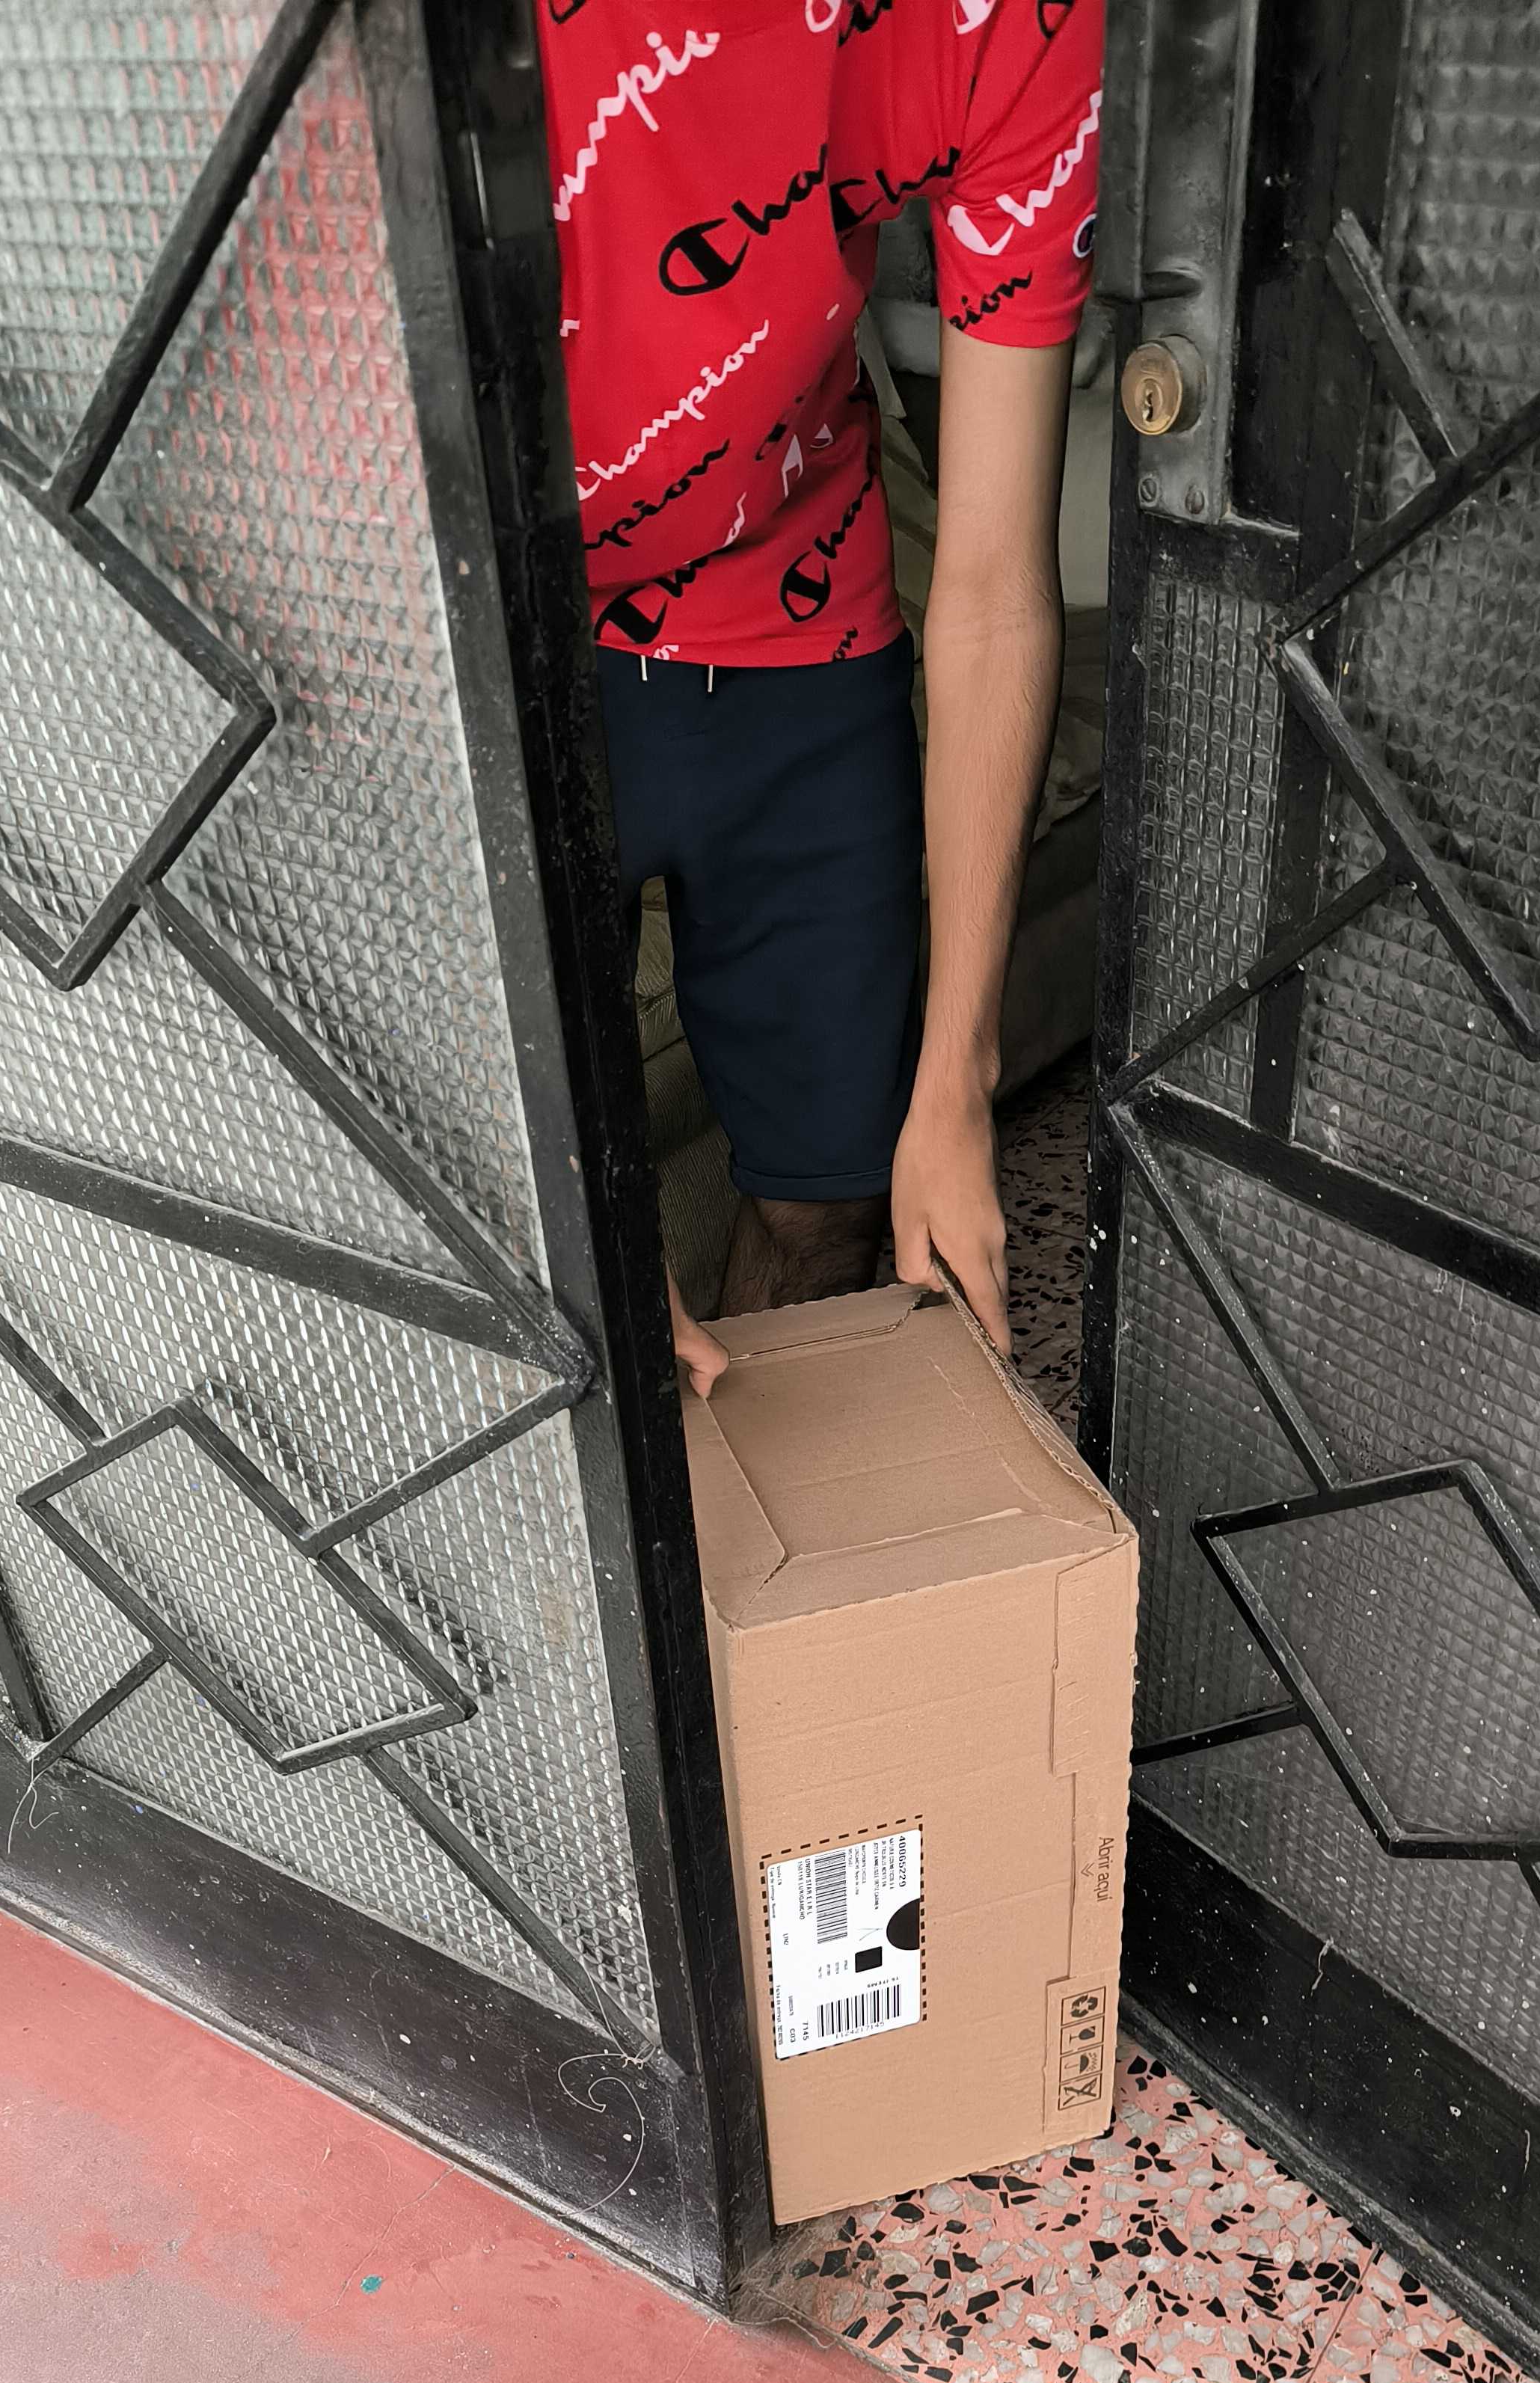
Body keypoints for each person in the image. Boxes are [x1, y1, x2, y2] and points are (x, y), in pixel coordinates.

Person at [539, 0, 1104, 1394]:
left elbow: (990, 584)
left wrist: (959, 1085)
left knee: (833, 1191)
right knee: (541, 1291)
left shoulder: (1015, 22)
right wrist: (550, 1190)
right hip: (491, 625)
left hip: (803, 609)